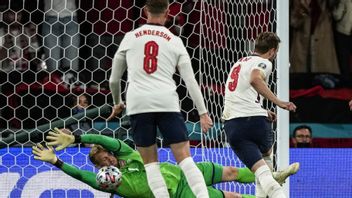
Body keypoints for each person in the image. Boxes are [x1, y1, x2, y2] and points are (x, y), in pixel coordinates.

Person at [108, 0, 213, 197]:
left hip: (139, 104)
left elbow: (114, 79)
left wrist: (117, 102)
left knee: (151, 165)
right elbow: (190, 81)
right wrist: (203, 112)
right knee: (185, 160)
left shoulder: (130, 38)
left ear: (145, 11)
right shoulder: (174, 40)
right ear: (168, 12)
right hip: (167, 103)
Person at [34, 128, 299, 198]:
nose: (108, 162)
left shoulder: (127, 155)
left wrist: (78, 138)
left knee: (230, 171)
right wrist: (56, 161)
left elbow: (106, 139)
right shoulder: (110, 184)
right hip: (180, 193)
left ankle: (271, 177)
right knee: (231, 197)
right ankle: (271, 187)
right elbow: (81, 176)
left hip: (183, 171)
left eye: (107, 157)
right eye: (103, 163)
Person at [222, 32, 297, 198]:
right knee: (265, 169)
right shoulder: (264, 62)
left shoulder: (239, 62)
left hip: (233, 123)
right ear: (271, 51)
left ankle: (272, 178)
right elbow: (255, 79)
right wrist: (279, 102)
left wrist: (263, 109)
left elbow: (241, 91)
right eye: (275, 53)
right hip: (254, 121)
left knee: (262, 172)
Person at [332, 0, 352, 85]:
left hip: (344, 32)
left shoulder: (344, 0)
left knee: (343, 57)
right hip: (348, 32)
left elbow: (337, 16)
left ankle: (346, 79)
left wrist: (334, 8)